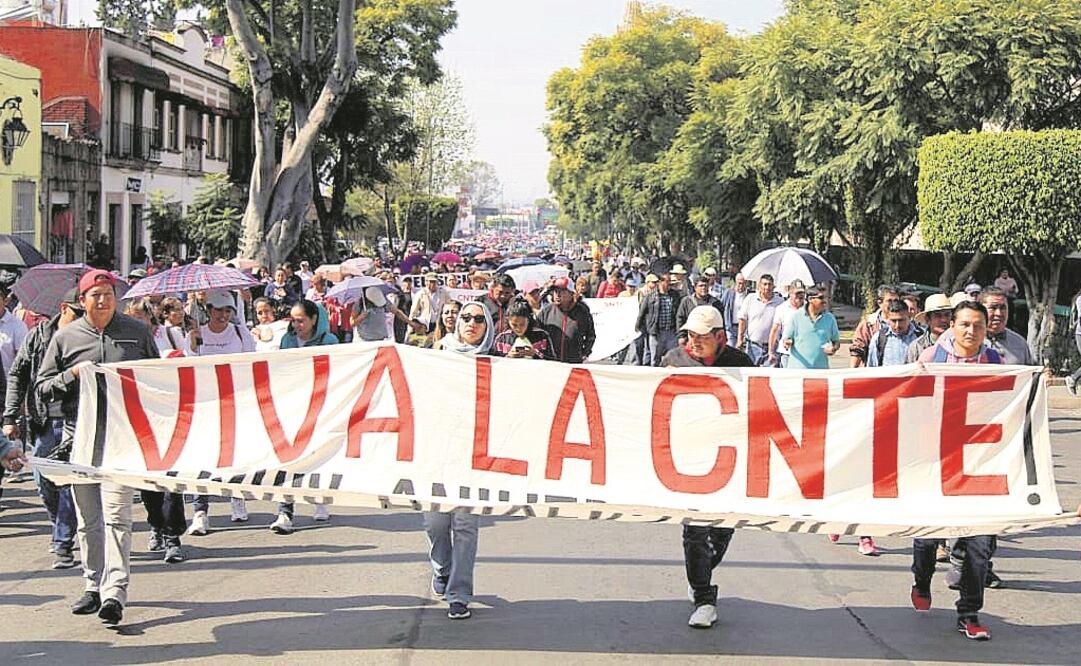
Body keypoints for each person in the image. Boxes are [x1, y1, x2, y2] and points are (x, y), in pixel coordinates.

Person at [35, 269, 160, 624]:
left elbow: (158, 377)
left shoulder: (136, 332)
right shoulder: (66, 338)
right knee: (88, 520)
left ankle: (114, 593)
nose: (103, 300)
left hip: (123, 438)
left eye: (109, 294)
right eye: (96, 295)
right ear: (82, 300)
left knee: (118, 516)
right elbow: (42, 387)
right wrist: (71, 375)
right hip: (79, 438)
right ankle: (93, 585)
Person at [912, 300, 1002, 641]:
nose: (971, 331)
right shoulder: (930, 358)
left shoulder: (996, 363)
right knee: (926, 539)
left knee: (979, 546)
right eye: (964, 324)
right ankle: (921, 581)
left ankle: (969, 613)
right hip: (934, 465)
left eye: (978, 325)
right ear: (952, 326)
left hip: (978, 467)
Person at [661, 306, 755, 628]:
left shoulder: (740, 363)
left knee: (722, 530)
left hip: (728, 461)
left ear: (720, 337)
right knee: (695, 531)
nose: (694, 342)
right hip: (688, 460)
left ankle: (699, 575)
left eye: (702, 336)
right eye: (690, 335)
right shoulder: (674, 359)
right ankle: (704, 597)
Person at [3, 287, 81, 569]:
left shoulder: (90, 339)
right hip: (43, 419)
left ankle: (63, 542)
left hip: (78, 419)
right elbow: (18, 374)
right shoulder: (38, 336)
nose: (82, 318)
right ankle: (60, 523)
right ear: (63, 309)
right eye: (77, 313)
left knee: (70, 481)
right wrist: (10, 417)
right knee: (43, 480)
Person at [430, 301, 494, 620]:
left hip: (475, 455)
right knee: (436, 523)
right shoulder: (439, 354)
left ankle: (459, 594)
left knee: (466, 526)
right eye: (466, 317)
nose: (471, 323)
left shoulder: (496, 361)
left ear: (488, 326)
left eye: (479, 319)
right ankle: (442, 569)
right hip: (438, 451)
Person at [188, 290, 257, 534]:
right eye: (218, 309)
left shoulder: (240, 333)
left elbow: (253, 362)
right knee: (203, 456)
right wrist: (193, 345)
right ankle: (200, 511)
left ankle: (236, 497)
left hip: (235, 400)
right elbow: (187, 365)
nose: (223, 315)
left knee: (235, 454)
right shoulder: (196, 333)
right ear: (208, 310)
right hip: (205, 403)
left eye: (228, 310)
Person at [270, 299, 338, 533]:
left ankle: (319, 498)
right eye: (293, 320)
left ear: (314, 319)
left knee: (317, 455)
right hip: (292, 406)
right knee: (288, 460)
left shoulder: (329, 341)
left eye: (301, 320)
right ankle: (284, 511)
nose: (296, 325)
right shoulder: (287, 340)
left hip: (319, 406)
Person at [537, 277, 596, 364]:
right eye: (555, 291)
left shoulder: (582, 312)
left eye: (562, 291)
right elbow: (536, 335)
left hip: (574, 363)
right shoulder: (546, 312)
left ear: (571, 293)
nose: (557, 294)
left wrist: (585, 353)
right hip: (550, 364)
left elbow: (590, 335)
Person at [784, 286, 840, 369]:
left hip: (820, 370)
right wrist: (787, 343)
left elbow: (836, 342)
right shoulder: (796, 316)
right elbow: (787, 339)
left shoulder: (830, 318)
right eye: (821, 298)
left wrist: (833, 349)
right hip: (798, 369)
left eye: (826, 297)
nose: (825, 301)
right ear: (810, 299)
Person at [979, 286, 1034, 365]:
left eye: (1003, 308)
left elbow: (1030, 371)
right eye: (993, 308)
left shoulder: (1020, 343)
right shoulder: (969, 341)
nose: (999, 313)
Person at [736, 274, 783, 366]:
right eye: (765, 284)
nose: (767, 287)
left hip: (772, 348)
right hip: (753, 346)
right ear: (759, 286)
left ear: (773, 286)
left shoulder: (780, 302)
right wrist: (740, 340)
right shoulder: (750, 299)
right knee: (751, 372)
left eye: (770, 284)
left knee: (769, 374)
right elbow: (743, 320)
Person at [849, 284, 900, 367]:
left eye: (896, 300)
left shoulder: (905, 322)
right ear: (880, 302)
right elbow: (857, 349)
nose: (893, 304)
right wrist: (852, 371)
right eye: (889, 301)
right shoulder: (869, 323)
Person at [636, 273, 680, 366]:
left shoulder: (675, 295)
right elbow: (642, 313)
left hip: (671, 332)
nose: (669, 284)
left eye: (670, 282)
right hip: (657, 332)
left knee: (673, 358)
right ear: (661, 282)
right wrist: (639, 327)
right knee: (655, 359)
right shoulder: (650, 296)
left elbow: (678, 313)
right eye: (667, 281)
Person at [767, 279, 806, 368]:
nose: (799, 296)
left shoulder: (809, 308)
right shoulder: (782, 308)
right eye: (796, 293)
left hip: (805, 353)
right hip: (787, 353)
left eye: (801, 293)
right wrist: (771, 351)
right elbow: (775, 330)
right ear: (790, 293)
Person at [719, 273, 749, 347]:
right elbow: (721, 306)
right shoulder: (728, 293)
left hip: (745, 327)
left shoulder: (749, 295)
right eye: (739, 283)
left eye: (743, 283)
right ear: (736, 282)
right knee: (731, 346)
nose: (741, 286)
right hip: (731, 326)